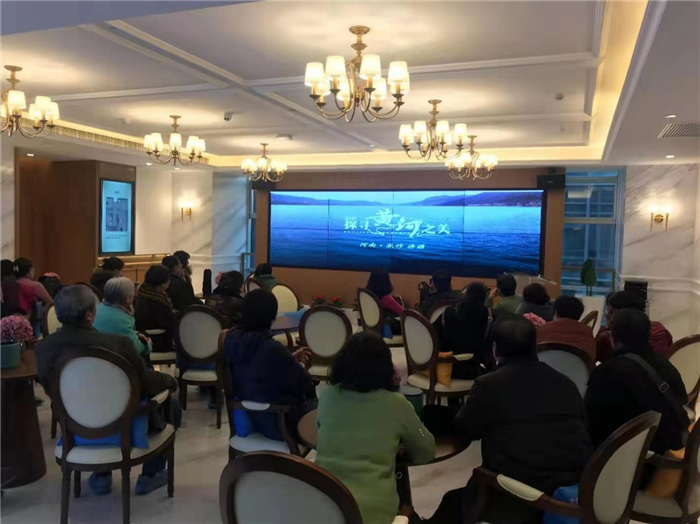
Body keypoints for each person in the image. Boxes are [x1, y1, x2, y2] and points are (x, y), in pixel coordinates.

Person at [427, 316, 591, 524]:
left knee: (452, 504)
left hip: (517, 497)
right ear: (534, 346)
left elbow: (465, 430)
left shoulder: (490, 385)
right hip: (569, 495)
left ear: (495, 349)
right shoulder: (566, 384)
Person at [35, 285, 178, 496]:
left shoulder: (43, 348)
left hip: (75, 427)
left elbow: (49, 387)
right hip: (122, 426)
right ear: (90, 315)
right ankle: (151, 474)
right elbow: (147, 383)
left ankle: (102, 476)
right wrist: (170, 380)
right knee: (172, 404)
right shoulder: (118, 344)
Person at [316, 331, 435, 524]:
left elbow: (322, 434)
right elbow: (426, 452)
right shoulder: (396, 403)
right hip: (373, 514)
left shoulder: (327, 396)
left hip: (323, 507)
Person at [585, 308, 688, 455]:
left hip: (621, 453)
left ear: (612, 338)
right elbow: (681, 399)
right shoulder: (666, 365)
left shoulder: (607, 372)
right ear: (648, 336)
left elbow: (590, 421)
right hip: (664, 441)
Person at [223, 289, 315, 440]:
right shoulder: (272, 349)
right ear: (272, 317)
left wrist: (288, 359)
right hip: (278, 423)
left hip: (248, 419)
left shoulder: (232, 341)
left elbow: (253, 369)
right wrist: (287, 361)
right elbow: (304, 384)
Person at [433, 282, 493, 378]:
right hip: (476, 371)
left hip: (446, 368)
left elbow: (433, 335)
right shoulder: (490, 316)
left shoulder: (448, 312)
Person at [595, 291, 674, 362]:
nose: (607, 316)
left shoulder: (610, 338)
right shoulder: (659, 329)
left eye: (610, 312)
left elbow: (590, 360)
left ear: (619, 313)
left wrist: (608, 326)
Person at [93, 277, 150, 357]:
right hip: (112, 359)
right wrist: (148, 345)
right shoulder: (122, 320)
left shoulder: (96, 309)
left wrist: (135, 334)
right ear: (128, 298)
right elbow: (136, 349)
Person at [536, 295, 596, 361]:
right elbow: (592, 356)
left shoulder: (542, 330)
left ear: (556, 312)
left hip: (546, 366)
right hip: (578, 367)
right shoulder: (587, 333)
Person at [134, 265, 175, 354]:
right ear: (163, 284)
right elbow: (169, 323)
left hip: (142, 337)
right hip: (158, 341)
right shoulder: (159, 301)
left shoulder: (141, 293)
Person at [366, 267, 404, 335]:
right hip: (387, 332)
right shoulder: (386, 299)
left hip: (373, 331)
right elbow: (404, 313)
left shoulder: (368, 297)